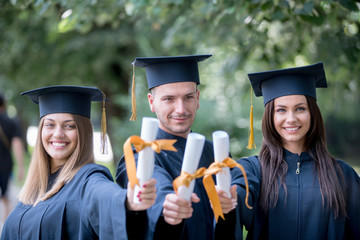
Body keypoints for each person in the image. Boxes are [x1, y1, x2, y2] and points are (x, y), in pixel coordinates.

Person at [1, 85, 157, 240]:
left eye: (69, 126)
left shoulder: (88, 179)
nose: (58, 134)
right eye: (50, 125)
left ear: (84, 132)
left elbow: (103, 194)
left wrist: (126, 201)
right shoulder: (35, 187)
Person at [231, 62, 360, 239]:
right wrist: (230, 198)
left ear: (312, 113)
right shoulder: (252, 170)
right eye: (281, 110)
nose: (291, 119)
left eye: (300, 108)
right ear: (271, 116)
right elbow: (237, 200)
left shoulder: (343, 175)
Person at [116, 55, 240, 239]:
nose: (181, 109)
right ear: (152, 102)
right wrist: (167, 204)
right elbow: (153, 185)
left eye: (188, 97)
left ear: (197, 98)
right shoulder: (139, 153)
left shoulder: (216, 154)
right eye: (169, 99)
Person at [0, 92, 25, 225]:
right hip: (5, 166)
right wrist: (21, 167)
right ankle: (6, 228)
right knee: (5, 198)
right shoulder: (11, 122)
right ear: (4, 104)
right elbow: (17, 145)